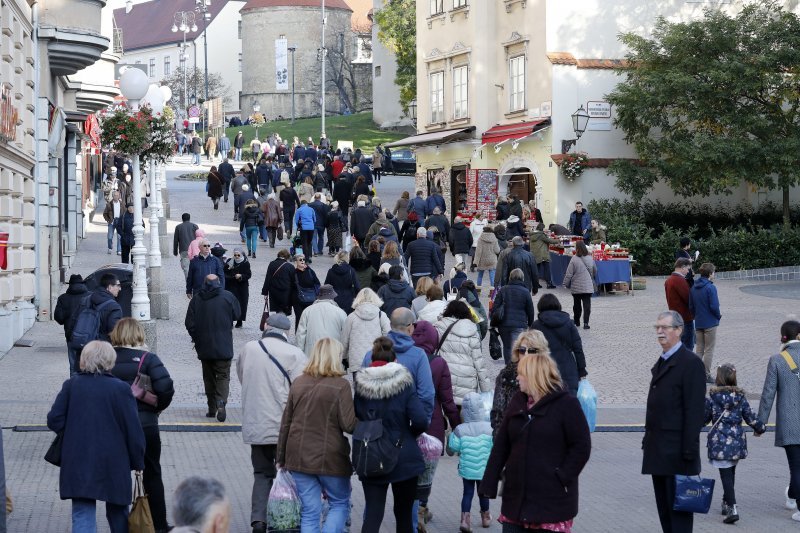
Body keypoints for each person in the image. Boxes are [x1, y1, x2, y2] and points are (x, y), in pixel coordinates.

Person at [479, 352, 592, 531]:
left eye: (521, 373)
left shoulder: (567, 405)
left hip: (551, 500)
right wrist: (489, 482)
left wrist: (562, 476)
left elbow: (582, 446)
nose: (517, 378)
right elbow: (502, 445)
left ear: (533, 375)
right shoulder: (518, 402)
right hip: (516, 498)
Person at [46, 340, 146, 532]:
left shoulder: (72, 385)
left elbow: (54, 419)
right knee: (118, 512)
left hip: (79, 460)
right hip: (114, 461)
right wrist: (138, 462)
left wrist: (73, 433)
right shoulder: (121, 389)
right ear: (110, 361)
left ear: (84, 360)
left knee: (82, 513)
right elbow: (133, 430)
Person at [276, 338, 357, 533]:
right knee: (339, 504)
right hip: (330, 456)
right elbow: (349, 424)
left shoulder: (299, 382)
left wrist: (281, 457)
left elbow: (286, 422)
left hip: (298, 456)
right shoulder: (341, 385)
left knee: (310, 511)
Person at [237, 313, 307, 533]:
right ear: (287, 331)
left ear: (267, 327)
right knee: (287, 473)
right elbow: (302, 391)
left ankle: (258, 520)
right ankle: (284, 519)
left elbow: (242, 375)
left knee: (261, 473)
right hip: (285, 429)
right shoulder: (296, 354)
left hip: (256, 425)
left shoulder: (249, 349)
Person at [354, 337, 429, 532]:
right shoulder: (404, 384)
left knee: (373, 513)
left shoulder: (361, 385)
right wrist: (409, 433)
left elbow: (358, 415)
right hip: (404, 454)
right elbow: (420, 419)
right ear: (395, 361)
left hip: (371, 454)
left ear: (372, 359)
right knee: (404, 515)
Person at [642, 310, 706, 533]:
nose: (659, 332)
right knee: (665, 515)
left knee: (678, 519)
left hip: (678, 455)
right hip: (658, 451)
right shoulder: (664, 359)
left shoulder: (691, 363)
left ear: (679, 330)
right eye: (657, 327)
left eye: (664, 327)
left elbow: (694, 412)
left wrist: (688, 453)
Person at [109, 318, 175, 533]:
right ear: (139, 334)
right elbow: (166, 388)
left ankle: (120, 525)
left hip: (114, 428)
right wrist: (155, 409)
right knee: (152, 473)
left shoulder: (106, 358)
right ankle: (158, 524)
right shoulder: (148, 358)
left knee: (117, 475)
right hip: (145, 425)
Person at [411, 319, 460, 528]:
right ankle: (421, 507)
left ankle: (413, 508)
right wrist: (457, 425)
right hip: (433, 424)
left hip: (408, 423)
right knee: (427, 470)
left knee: (411, 468)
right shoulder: (439, 363)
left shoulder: (407, 358)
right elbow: (447, 399)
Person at [704, 363, 765, 524]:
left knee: (725, 475)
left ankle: (732, 507)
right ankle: (726, 502)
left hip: (719, 442)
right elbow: (750, 416)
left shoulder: (712, 397)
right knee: (730, 473)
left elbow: (704, 418)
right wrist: (761, 427)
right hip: (737, 442)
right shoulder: (740, 397)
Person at [756, 320, 800, 523]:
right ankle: (792, 495)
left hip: (790, 422)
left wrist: (761, 423)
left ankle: (795, 499)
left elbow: (767, 394)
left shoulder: (777, 360)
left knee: (796, 467)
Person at [185, 275, 241, 421]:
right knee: (223, 376)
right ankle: (221, 402)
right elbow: (237, 314)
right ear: (219, 283)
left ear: (204, 284)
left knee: (208, 378)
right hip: (224, 345)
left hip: (204, 346)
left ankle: (211, 408)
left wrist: (197, 337)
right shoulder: (228, 297)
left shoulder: (197, 299)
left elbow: (189, 322)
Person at [448, 392, 494, 531]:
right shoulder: (490, 428)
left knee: (467, 493)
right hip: (484, 468)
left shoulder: (460, 429)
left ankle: (465, 521)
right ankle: (485, 518)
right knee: (483, 493)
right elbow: (494, 446)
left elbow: (453, 447)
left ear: (464, 410)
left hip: (467, 469)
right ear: (481, 408)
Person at [434, 300, 491, 405]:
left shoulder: (438, 328)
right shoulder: (471, 330)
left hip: (445, 381)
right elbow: (479, 363)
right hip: (467, 385)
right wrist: (486, 391)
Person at [489, 330, 545, 433]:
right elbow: (497, 415)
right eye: (522, 350)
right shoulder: (506, 376)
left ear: (540, 353)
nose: (526, 354)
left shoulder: (548, 379)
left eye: (532, 351)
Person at [532, 293, 587, 396]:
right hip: (568, 370)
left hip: (545, 372)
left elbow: (531, 351)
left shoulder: (536, 325)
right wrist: (582, 370)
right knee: (569, 405)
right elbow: (578, 348)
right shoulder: (569, 323)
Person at [342, 288, 391, 377]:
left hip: (357, 361)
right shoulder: (381, 315)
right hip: (376, 358)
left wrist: (344, 357)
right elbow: (388, 335)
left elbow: (345, 339)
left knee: (359, 389)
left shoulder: (351, 317)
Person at [492, 268, 535, 364]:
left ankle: (508, 367)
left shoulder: (503, 290)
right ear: (522, 278)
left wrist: (495, 322)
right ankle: (515, 369)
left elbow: (495, 307)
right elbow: (530, 310)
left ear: (510, 277)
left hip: (503, 324)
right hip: (519, 325)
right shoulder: (525, 291)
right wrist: (530, 324)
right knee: (516, 348)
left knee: (507, 347)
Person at [690, 262, 722, 383]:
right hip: (710, 322)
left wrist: (695, 316)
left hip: (698, 322)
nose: (714, 274)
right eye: (713, 272)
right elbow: (714, 306)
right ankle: (706, 374)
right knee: (709, 349)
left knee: (699, 349)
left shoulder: (693, 287)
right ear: (710, 273)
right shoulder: (710, 287)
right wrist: (718, 316)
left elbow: (691, 306)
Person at [296, 285, 347, 355]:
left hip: (312, 353)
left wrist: (300, 353)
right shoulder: (340, 312)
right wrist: (344, 355)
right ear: (332, 297)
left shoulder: (307, 311)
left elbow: (300, 334)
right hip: (333, 353)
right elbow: (345, 335)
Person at [53, 274, 89, 375]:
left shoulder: (63, 298)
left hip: (71, 335)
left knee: (73, 366)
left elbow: (59, 318)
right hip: (89, 335)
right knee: (89, 365)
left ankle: (74, 387)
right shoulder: (90, 296)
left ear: (70, 285)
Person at [563, 241, 596, 330]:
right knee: (587, 306)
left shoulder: (574, 259)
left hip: (576, 287)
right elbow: (595, 270)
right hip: (587, 286)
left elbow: (569, 273)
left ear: (577, 248)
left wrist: (565, 283)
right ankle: (586, 323)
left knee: (576, 305)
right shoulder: (590, 258)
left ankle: (576, 321)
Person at [665, 258, 695, 352]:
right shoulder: (680, 281)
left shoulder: (669, 280)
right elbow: (688, 299)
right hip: (685, 318)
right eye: (688, 269)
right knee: (688, 346)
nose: (688, 271)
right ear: (682, 267)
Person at [291, 253, 321, 328]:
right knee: (299, 318)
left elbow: (317, 284)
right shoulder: (293, 272)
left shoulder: (310, 271)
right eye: (300, 259)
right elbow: (290, 286)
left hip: (310, 300)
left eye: (303, 259)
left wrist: (317, 295)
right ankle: (298, 337)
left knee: (309, 319)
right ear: (296, 262)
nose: (302, 261)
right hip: (298, 301)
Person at [261, 249, 294, 317]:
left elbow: (268, 278)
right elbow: (294, 281)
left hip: (274, 291)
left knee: (278, 310)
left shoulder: (272, 264)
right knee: (285, 310)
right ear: (287, 257)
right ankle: (283, 323)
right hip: (286, 292)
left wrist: (265, 292)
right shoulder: (290, 266)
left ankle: (279, 323)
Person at [224, 248, 251, 328]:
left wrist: (241, 276)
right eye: (235, 255)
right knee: (230, 303)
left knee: (241, 304)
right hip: (231, 285)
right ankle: (230, 321)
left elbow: (248, 275)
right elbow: (224, 271)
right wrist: (229, 270)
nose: (236, 256)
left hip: (241, 287)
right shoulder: (230, 261)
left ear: (242, 255)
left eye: (238, 255)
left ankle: (239, 321)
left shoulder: (245, 263)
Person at [528, 222, 559, 289]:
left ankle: (536, 284)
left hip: (535, 254)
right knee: (546, 269)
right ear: (542, 228)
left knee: (537, 270)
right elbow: (549, 240)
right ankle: (549, 283)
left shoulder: (532, 235)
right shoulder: (541, 235)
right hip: (543, 254)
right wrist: (558, 240)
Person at [473, 225, 500, 291]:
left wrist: (475, 262)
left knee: (480, 275)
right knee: (492, 276)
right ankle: (492, 291)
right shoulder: (494, 239)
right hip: (492, 259)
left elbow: (478, 251)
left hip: (482, 260)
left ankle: (478, 290)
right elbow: (497, 250)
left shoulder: (481, 238)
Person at [173, 213, 199, 279]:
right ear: (189, 218)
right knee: (195, 266)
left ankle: (188, 283)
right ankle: (195, 281)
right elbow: (198, 238)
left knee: (186, 268)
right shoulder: (195, 226)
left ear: (182, 219)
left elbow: (176, 240)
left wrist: (175, 251)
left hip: (184, 250)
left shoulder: (178, 227)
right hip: (194, 250)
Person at [103, 190, 123, 255]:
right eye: (115, 195)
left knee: (119, 237)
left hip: (119, 222)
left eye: (117, 195)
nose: (116, 197)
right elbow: (105, 213)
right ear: (113, 196)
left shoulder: (122, 204)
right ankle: (110, 248)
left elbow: (125, 213)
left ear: (119, 196)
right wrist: (108, 220)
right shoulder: (109, 204)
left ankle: (119, 250)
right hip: (112, 221)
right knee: (109, 237)